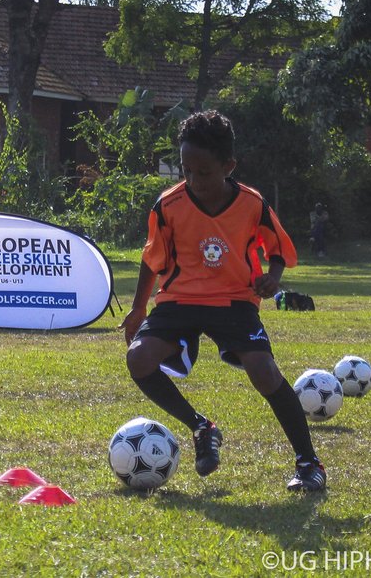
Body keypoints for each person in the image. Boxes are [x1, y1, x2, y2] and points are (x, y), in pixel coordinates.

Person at [120, 111, 326, 493]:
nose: (194, 181)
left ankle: (309, 463)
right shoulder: (168, 205)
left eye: (204, 172)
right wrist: (138, 308)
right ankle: (201, 426)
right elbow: (153, 258)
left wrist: (273, 278)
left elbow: (277, 249)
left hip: (234, 300)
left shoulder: (252, 204)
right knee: (139, 358)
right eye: (186, 170)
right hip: (179, 299)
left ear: (228, 166)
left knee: (264, 372)